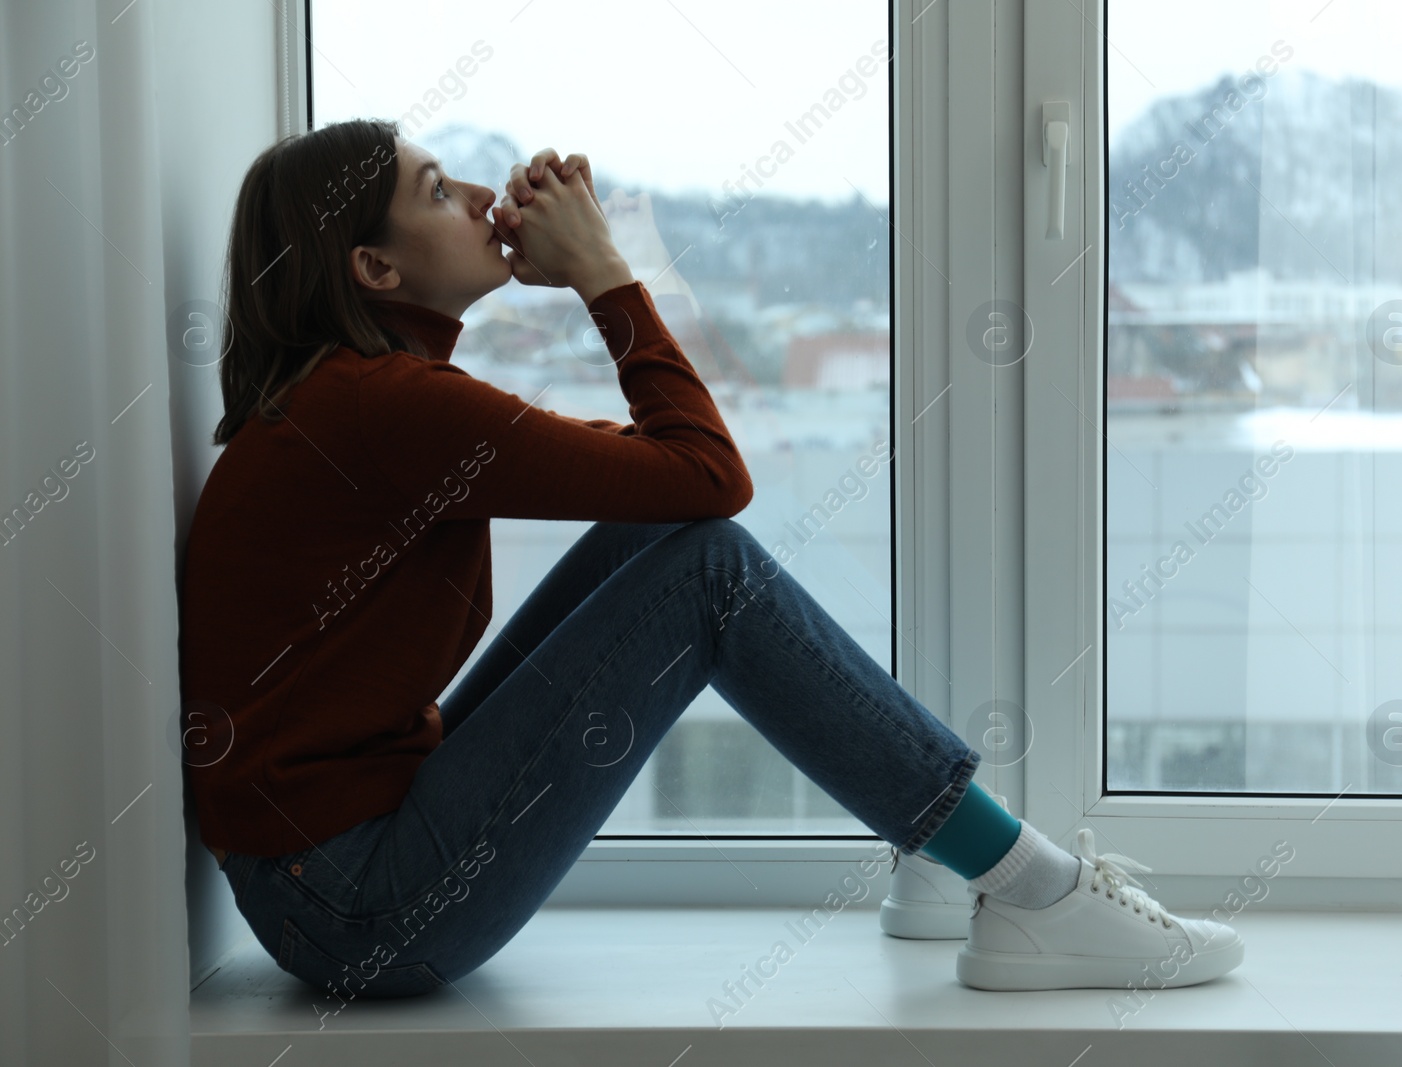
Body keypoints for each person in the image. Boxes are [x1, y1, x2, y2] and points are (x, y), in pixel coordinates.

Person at [178, 118, 1242, 1008]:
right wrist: (603, 273)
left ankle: (941, 862)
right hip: (359, 907)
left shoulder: (356, 399)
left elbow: (665, 485)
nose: (471, 190)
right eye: (432, 188)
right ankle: (1034, 893)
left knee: (660, 542)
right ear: (374, 268)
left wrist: (605, 274)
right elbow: (709, 475)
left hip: (328, 877)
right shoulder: (381, 406)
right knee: (706, 567)